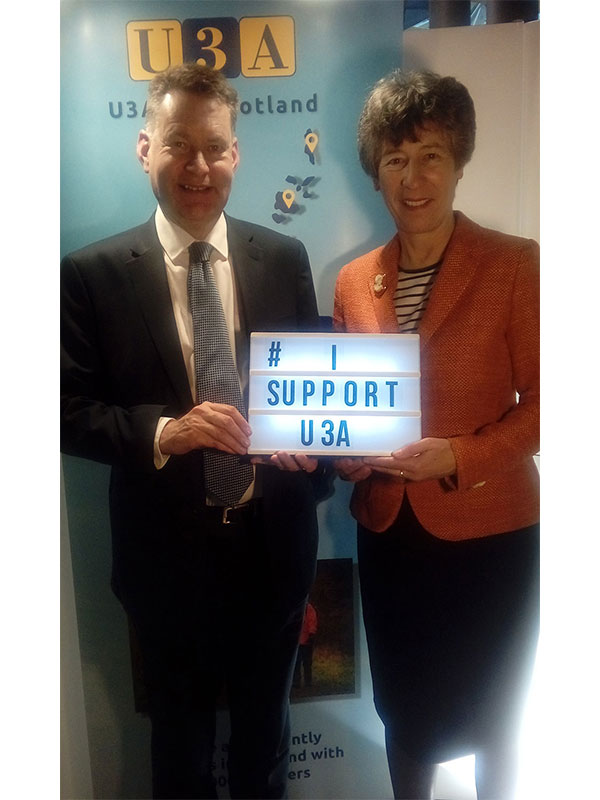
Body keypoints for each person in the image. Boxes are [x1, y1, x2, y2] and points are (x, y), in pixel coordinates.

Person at [61, 63, 327, 800]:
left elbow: (312, 395)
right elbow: (64, 409)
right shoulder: (91, 273)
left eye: (214, 147)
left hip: (273, 550)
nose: (198, 166)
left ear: (236, 153)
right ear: (145, 149)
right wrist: (165, 433)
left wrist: (313, 453)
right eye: (179, 144)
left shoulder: (284, 257)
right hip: (163, 561)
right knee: (179, 754)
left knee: (264, 746)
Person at [333, 70, 539, 800]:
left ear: (458, 163)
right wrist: (347, 458)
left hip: (491, 535)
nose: (413, 178)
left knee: (496, 717)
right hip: (391, 535)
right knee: (405, 712)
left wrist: (459, 455)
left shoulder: (516, 264)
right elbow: (349, 410)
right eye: (395, 159)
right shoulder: (354, 281)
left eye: (431, 156)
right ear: (375, 172)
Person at [293, 600, 318, 688]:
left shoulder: (308, 608)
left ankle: (307, 682)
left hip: (306, 641)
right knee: (297, 663)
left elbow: (312, 621)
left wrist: (311, 633)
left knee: (306, 663)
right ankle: (297, 682)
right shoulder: (298, 608)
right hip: (298, 642)